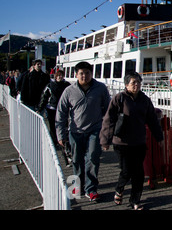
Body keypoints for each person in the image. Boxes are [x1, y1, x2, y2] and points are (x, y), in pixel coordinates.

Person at [100, 72, 163, 210]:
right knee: (126, 170)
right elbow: (109, 119)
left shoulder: (145, 100)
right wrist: (105, 140)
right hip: (121, 142)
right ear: (126, 85)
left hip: (139, 142)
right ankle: (119, 189)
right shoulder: (119, 98)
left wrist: (159, 137)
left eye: (138, 82)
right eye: (133, 82)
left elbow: (152, 120)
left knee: (138, 173)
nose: (136, 85)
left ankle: (135, 201)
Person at [56, 61, 111, 202]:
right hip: (75, 131)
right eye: (81, 73)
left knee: (92, 158)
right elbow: (61, 113)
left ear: (91, 74)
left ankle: (91, 189)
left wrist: (107, 132)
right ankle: (76, 186)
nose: (84, 76)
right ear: (76, 74)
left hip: (95, 130)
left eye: (87, 73)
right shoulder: (69, 91)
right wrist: (61, 134)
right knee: (76, 160)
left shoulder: (100, 88)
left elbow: (108, 110)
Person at [38, 70, 71, 148]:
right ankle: (54, 142)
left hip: (63, 108)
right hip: (51, 108)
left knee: (64, 125)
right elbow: (44, 97)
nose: (60, 77)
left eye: (61, 75)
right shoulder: (50, 85)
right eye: (58, 75)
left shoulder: (67, 85)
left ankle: (64, 142)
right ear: (56, 76)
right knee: (53, 126)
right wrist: (40, 108)